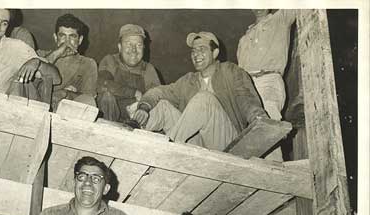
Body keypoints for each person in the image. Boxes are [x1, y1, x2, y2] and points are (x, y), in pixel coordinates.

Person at [133, 31, 268, 151]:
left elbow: (247, 99)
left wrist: (259, 119)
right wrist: (143, 107)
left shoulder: (231, 71)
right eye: (193, 51)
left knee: (204, 99)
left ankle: (166, 151)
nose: (196, 54)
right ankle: (133, 137)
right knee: (162, 106)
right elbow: (159, 92)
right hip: (198, 145)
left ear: (214, 53)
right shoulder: (188, 81)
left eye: (201, 49)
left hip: (227, 143)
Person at [237, 9, 296, 160]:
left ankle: (274, 167)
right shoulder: (244, 37)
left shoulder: (281, 18)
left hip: (269, 78)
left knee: (269, 117)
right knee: (249, 128)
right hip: (248, 85)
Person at [97, 24, 160, 122]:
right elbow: (103, 84)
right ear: (119, 47)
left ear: (144, 48)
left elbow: (156, 96)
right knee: (106, 96)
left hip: (135, 122)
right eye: (128, 44)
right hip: (109, 119)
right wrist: (134, 92)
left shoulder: (148, 69)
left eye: (138, 45)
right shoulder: (110, 60)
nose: (134, 50)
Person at [38, 13, 98, 111]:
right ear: (55, 37)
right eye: (62, 36)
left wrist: (66, 93)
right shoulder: (40, 55)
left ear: (80, 40)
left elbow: (88, 99)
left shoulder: (88, 64)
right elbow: (34, 73)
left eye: (72, 36)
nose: (67, 42)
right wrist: (56, 54)